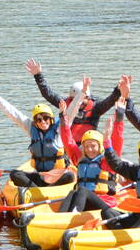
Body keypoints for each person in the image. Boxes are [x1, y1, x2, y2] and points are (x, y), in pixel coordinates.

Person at [52, 87, 125, 218]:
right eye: (87, 146)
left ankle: (73, 217)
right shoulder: (79, 158)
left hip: (105, 203)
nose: (90, 149)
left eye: (93, 146)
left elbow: (117, 140)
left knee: (82, 191)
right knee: (73, 193)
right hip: (84, 201)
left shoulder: (108, 162)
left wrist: (119, 116)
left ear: (100, 146)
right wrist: (63, 117)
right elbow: (68, 140)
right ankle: (60, 217)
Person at [0, 84, 76, 188]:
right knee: (15, 174)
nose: (43, 122)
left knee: (70, 176)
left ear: (51, 119)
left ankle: (44, 189)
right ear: (35, 122)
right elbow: (14, 114)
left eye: (46, 118)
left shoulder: (59, 130)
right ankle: (37, 190)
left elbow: (71, 114)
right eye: (39, 120)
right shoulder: (31, 128)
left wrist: (82, 94)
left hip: (57, 176)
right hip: (40, 176)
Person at [24, 57, 121, 146]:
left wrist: (119, 90)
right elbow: (48, 94)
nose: (78, 102)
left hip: (87, 147)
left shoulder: (96, 108)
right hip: (69, 147)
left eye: (81, 99)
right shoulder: (65, 104)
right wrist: (38, 76)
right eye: (74, 99)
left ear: (88, 97)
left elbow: (110, 101)